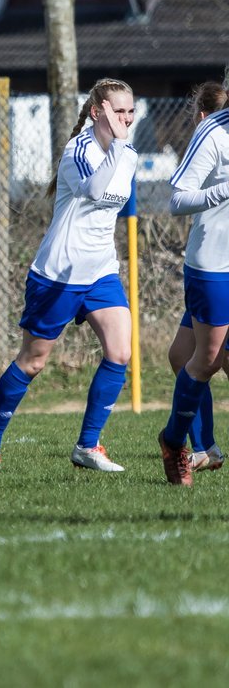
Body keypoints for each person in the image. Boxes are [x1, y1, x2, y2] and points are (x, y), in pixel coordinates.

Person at [0, 78, 138, 474]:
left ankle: (88, 446)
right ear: (97, 111)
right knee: (33, 362)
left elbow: (115, 204)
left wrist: (122, 148)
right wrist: (118, 147)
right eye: (118, 111)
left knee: (120, 351)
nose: (126, 119)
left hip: (100, 272)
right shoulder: (77, 151)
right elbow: (97, 191)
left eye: (131, 111)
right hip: (58, 274)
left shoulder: (127, 152)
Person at [159, 79, 229, 486]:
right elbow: (177, 199)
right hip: (215, 265)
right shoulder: (214, 131)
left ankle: (205, 447)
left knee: (180, 355)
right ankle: (175, 443)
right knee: (206, 360)